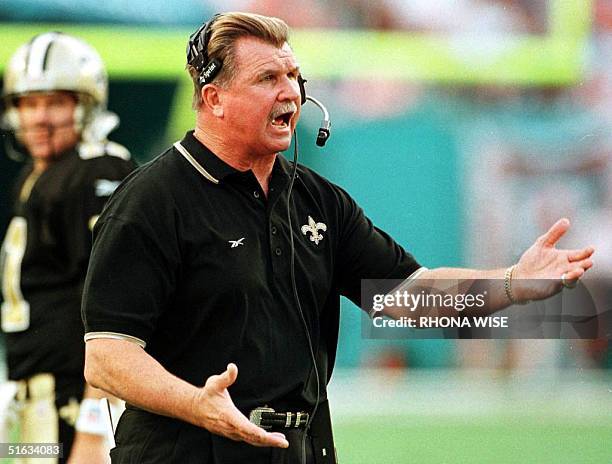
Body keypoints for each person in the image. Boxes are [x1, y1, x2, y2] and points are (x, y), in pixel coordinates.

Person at [81, 12, 595, 464]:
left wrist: (513, 284)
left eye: (294, 77)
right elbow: (106, 357)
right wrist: (197, 404)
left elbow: (407, 296)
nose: (291, 93)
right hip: (187, 452)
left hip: (300, 449)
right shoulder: (151, 200)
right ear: (214, 98)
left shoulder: (316, 199)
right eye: (268, 78)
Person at [0, 32, 135, 462]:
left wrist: (96, 420)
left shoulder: (96, 170)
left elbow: (116, 301)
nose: (40, 117)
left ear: (86, 105)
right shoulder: (37, 175)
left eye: (56, 102)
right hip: (37, 395)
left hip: (77, 398)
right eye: (29, 103)